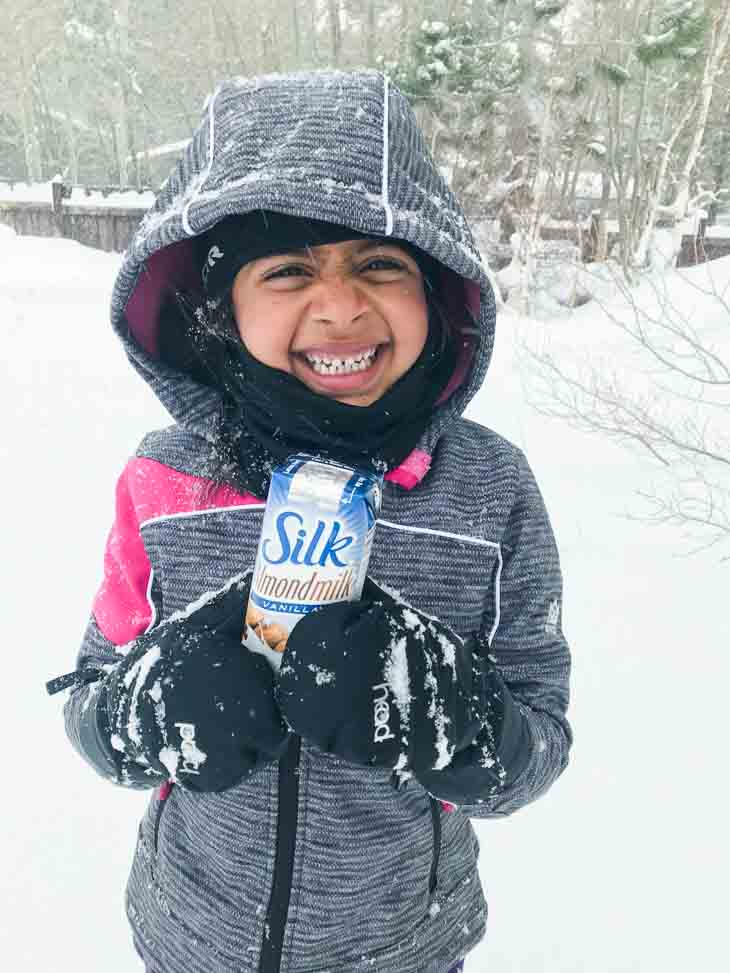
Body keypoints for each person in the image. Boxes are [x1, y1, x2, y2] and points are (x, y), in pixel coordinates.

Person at [49, 70, 572, 973]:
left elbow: (539, 739)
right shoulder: (164, 481)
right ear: (223, 308)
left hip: (403, 946)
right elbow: (94, 698)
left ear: (437, 294)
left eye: (380, 264)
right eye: (287, 270)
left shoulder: (490, 492)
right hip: (190, 936)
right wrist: (149, 708)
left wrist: (451, 710)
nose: (339, 306)